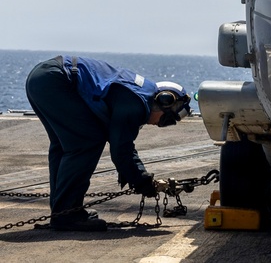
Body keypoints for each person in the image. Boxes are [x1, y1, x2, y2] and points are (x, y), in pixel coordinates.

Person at [25, 55, 192, 232]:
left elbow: (121, 141)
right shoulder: (135, 103)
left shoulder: (139, 94)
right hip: (55, 81)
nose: (159, 125)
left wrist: (132, 173)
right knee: (87, 142)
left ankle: (63, 211)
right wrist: (142, 180)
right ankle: (67, 215)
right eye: (166, 120)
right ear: (163, 100)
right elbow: (121, 149)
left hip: (42, 78)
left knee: (64, 146)